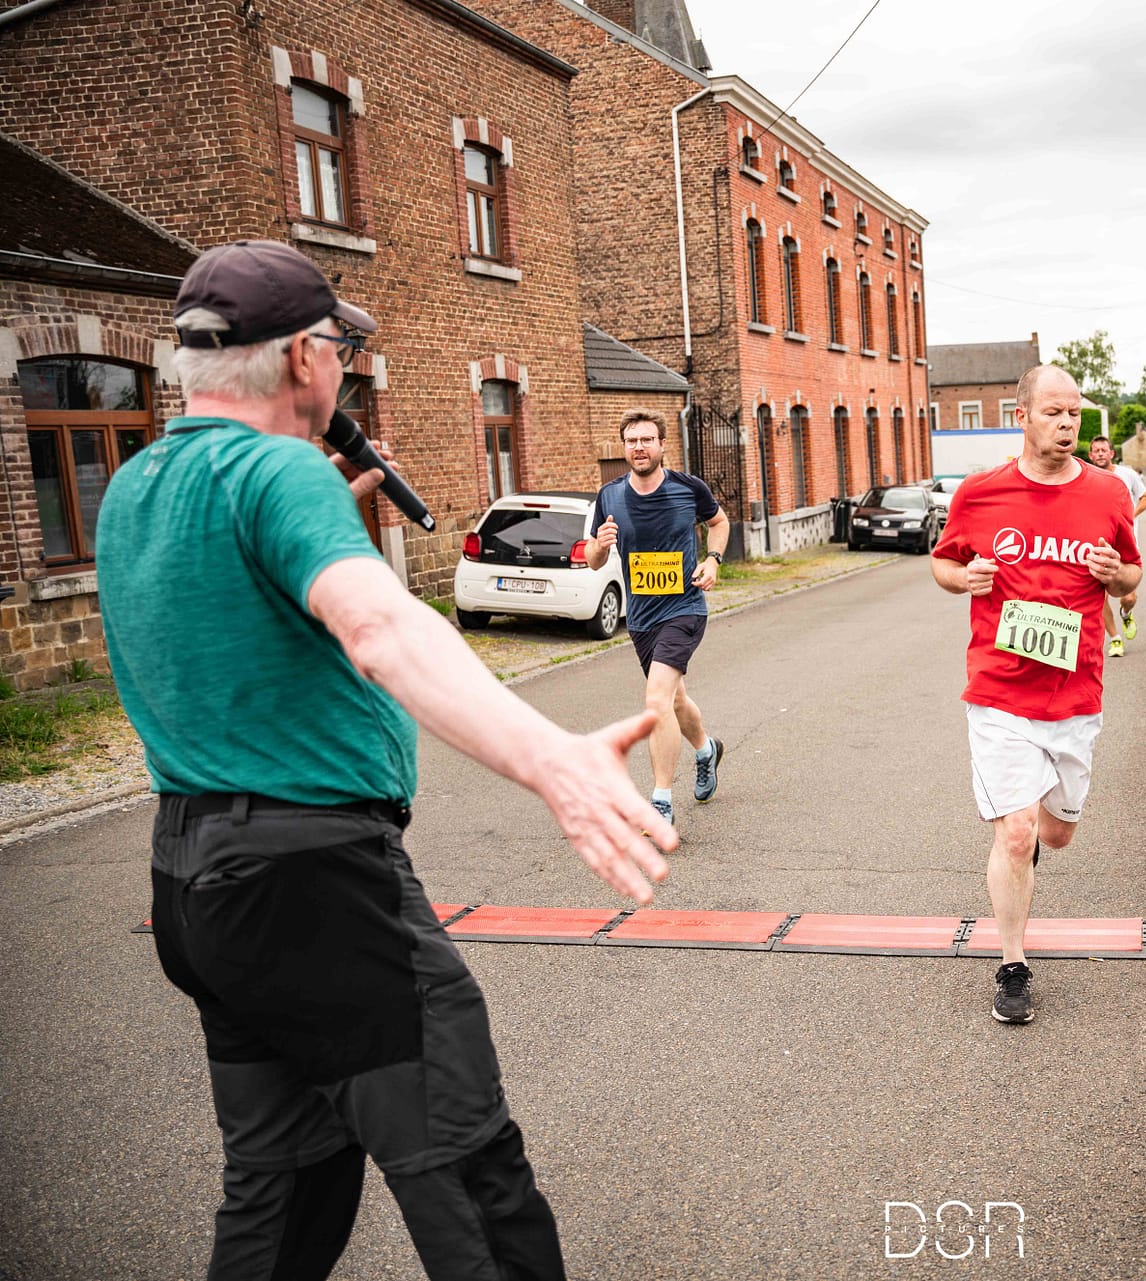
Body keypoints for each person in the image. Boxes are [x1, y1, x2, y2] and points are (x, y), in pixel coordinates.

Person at [96, 239, 677, 1281]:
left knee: (282, 1181)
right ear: (301, 357)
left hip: (196, 885)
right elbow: (380, 627)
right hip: (314, 887)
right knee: (466, 1170)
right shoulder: (276, 470)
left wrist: (307, 508)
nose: (344, 371)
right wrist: (550, 759)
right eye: (340, 350)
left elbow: (234, 635)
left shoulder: (138, 484)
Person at [931, 366, 1143, 1025]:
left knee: (1057, 833)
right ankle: (1013, 964)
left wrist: (1116, 574)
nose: (1067, 423)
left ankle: (1027, 849)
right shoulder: (980, 492)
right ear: (1021, 416)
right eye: (1054, 412)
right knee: (1018, 832)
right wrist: (964, 577)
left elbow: (1133, 574)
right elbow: (942, 562)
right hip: (999, 690)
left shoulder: (1109, 492)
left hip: (1075, 693)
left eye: (1074, 412)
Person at [585, 408, 731, 826]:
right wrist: (600, 544)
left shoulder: (688, 488)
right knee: (674, 699)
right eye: (632, 440)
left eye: (647, 439)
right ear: (624, 447)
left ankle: (661, 802)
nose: (639, 447)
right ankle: (706, 751)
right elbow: (593, 560)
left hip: (684, 607)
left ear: (662, 445)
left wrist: (713, 560)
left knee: (655, 701)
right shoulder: (609, 496)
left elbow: (719, 522)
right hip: (641, 617)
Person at [1087, 434, 1146, 656]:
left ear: (1111, 453)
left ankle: (1126, 613)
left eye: (1104, 450)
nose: (1100, 454)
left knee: (1129, 597)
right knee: (1100, 597)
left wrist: (1128, 518)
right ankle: (1115, 639)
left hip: (1126, 546)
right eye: (1096, 451)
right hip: (1098, 546)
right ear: (1090, 455)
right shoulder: (1086, 478)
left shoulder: (1127, 474)